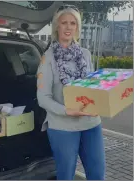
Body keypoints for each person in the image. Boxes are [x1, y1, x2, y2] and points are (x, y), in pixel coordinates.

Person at [37, 4, 105, 180]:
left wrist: (103, 102)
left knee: (98, 175)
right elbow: (43, 98)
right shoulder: (48, 58)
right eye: (64, 23)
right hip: (62, 126)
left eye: (73, 23)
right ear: (56, 27)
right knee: (66, 175)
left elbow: (92, 87)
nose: (68, 27)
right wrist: (67, 110)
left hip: (91, 123)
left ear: (77, 27)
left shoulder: (86, 54)